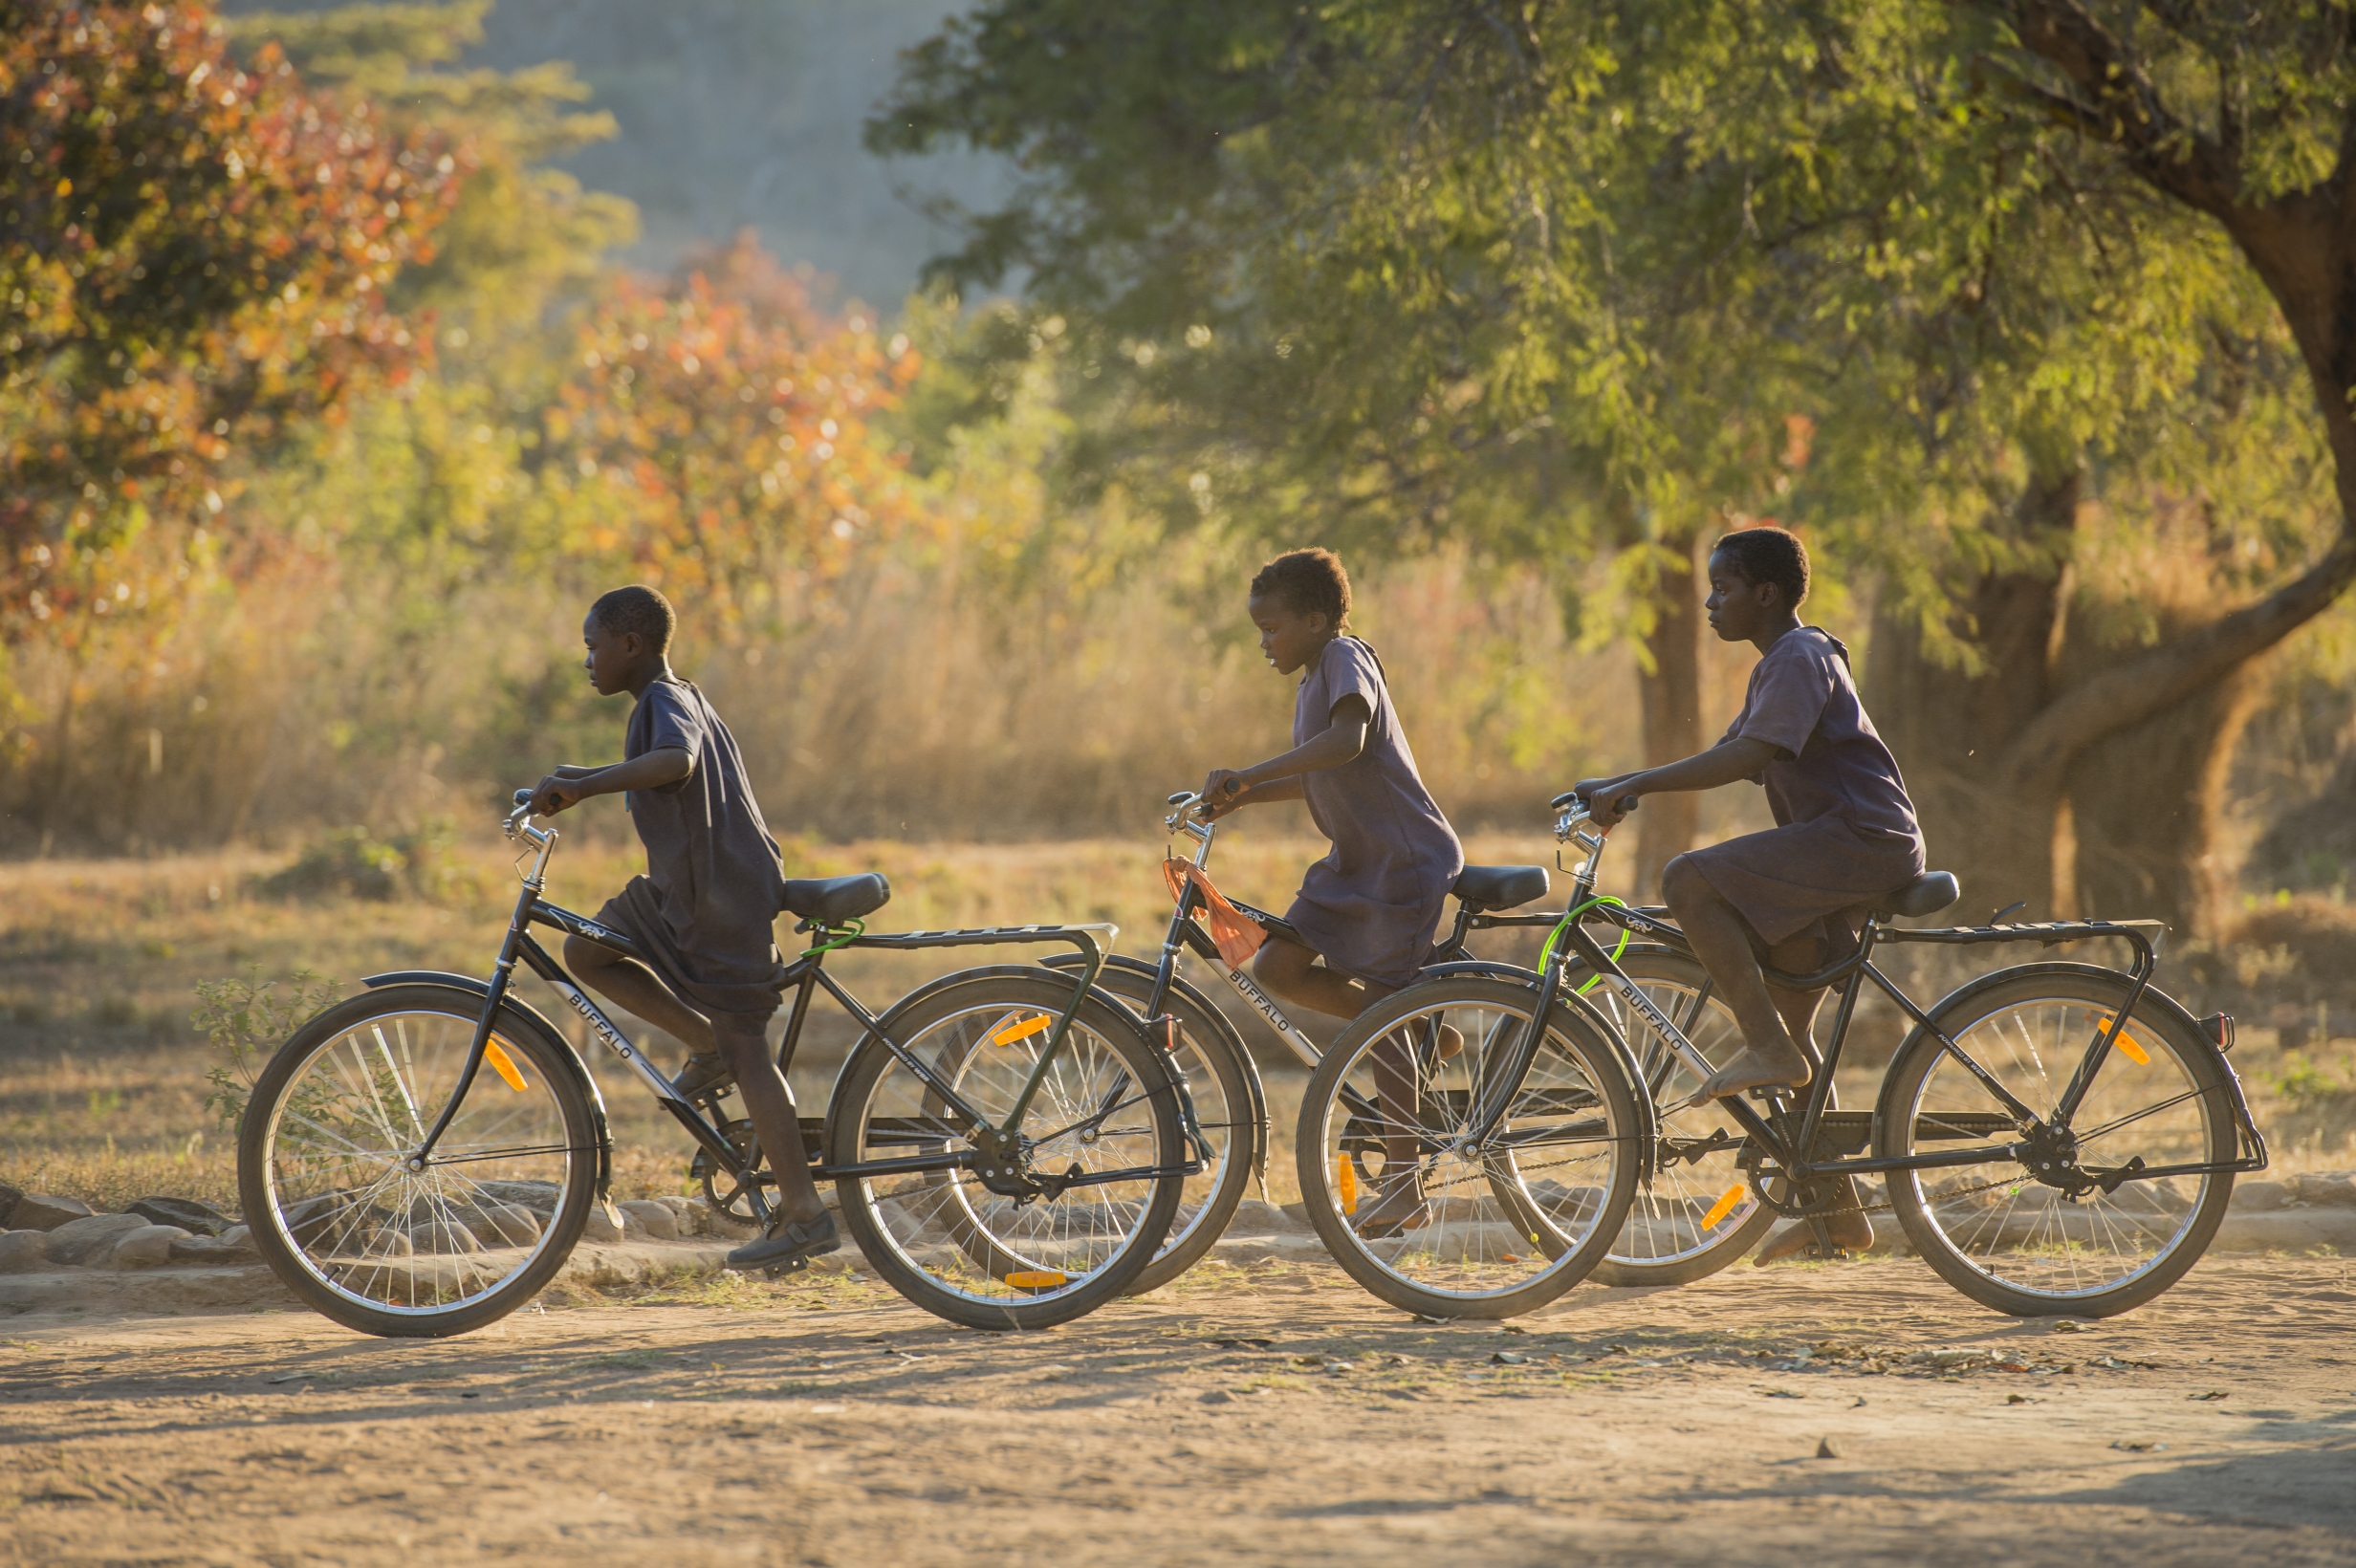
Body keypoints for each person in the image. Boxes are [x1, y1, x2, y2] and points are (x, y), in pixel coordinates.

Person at [1572, 525, 1926, 1262]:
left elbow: (1748, 756)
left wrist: (1632, 785)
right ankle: (1840, 1216)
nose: (1708, 603)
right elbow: (1728, 755)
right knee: (1791, 1022)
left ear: (1765, 594)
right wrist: (1620, 784)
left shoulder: (1798, 656)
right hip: (1843, 845)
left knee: (1686, 879)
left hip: (1859, 840)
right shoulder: (1784, 662)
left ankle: (1764, 1046)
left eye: (1723, 588)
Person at [527, 585, 837, 1274]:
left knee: (749, 1047)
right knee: (585, 948)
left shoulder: (666, 705)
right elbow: (659, 769)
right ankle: (704, 1045)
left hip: (718, 896)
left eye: (592, 646)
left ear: (630, 646)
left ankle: (805, 1212)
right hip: (686, 889)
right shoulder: (674, 696)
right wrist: (571, 781)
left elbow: (676, 764)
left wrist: (588, 787)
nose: (587, 660)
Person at [1196, 548, 1465, 1234]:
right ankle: (1419, 1030)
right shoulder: (1313, 675)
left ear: (1316, 620)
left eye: (1272, 628)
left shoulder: (1346, 659)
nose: (1264, 643)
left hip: (1401, 862)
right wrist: (1246, 797)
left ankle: (1405, 1187)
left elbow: (1347, 743)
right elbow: (1325, 772)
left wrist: (1249, 773)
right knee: (1278, 966)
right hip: (1354, 863)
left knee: (1382, 1015)